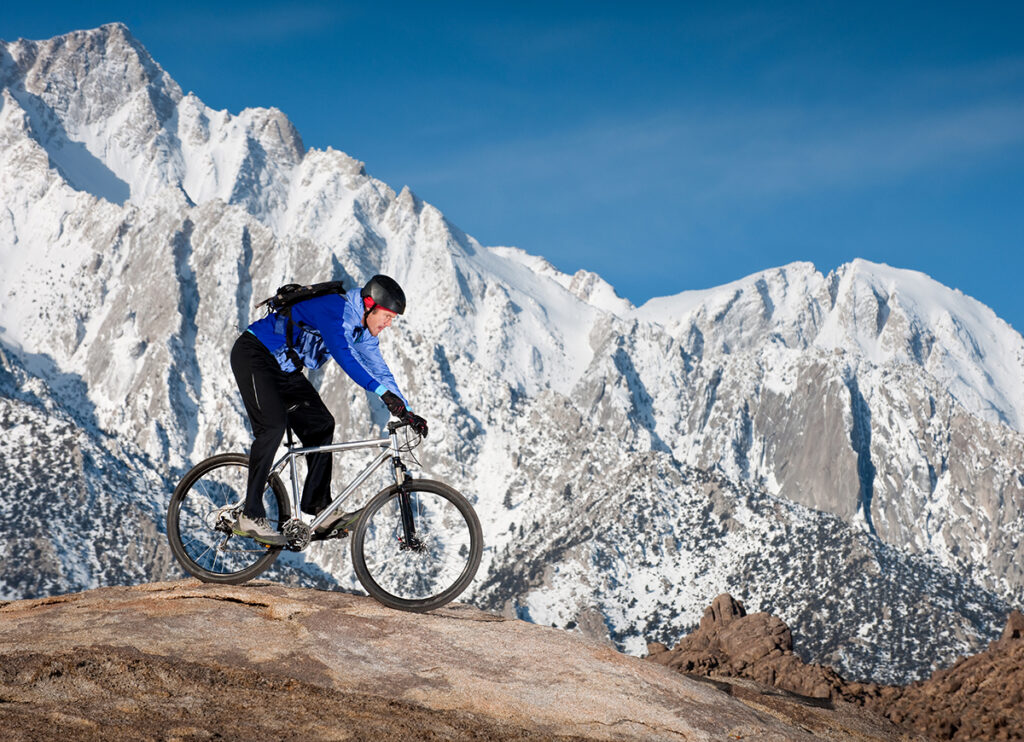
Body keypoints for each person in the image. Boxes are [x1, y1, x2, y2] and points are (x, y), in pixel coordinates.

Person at [229, 274, 428, 545]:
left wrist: (406, 410)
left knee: (322, 424)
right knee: (272, 427)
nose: (388, 323)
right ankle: (250, 514)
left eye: (393, 319)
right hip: (255, 354)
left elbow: (380, 370)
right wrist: (381, 393)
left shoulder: (362, 331)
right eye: (387, 316)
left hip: (285, 369)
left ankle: (320, 510)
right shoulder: (335, 310)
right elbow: (344, 355)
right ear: (369, 304)